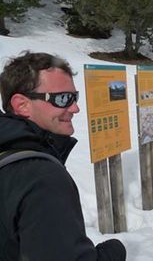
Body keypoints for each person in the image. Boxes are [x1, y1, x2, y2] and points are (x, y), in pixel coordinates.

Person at [0, 52, 126, 261]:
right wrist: (113, 252)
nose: (75, 108)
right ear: (21, 104)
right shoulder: (41, 177)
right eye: (63, 99)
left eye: (74, 97)